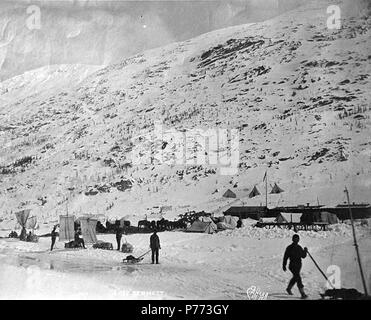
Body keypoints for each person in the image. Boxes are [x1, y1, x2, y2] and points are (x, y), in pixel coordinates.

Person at [283, 234, 308, 299]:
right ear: (292, 239)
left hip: (298, 266)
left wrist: (305, 251)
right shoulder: (289, 248)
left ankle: (288, 289)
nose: (296, 240)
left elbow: (303, 256)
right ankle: (302, 293)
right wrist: (284, 265)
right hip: (292, 266)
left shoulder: (299, 247)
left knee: (295, 277)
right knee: (298, 278)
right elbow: (285, 257)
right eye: (295, 239)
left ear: (299, 240)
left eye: (297, 239)